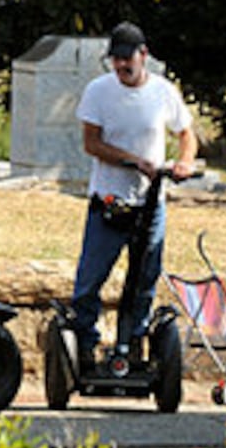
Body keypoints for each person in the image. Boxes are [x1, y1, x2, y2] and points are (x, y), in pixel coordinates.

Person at [69, 22, 197, 361]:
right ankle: (84, 345)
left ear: (144, 55)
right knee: (89, 282)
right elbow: (91, 143)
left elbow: (187, 134)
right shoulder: (99, 91)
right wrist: (133, 161)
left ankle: (132, 346)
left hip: (150, 203)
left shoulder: (163, 92)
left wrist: (184, 162)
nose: (122, 66)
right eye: (116, 60)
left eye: (128, 59)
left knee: (143, 282)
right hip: (109, 202)